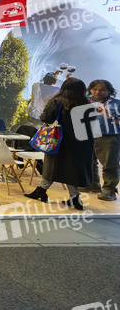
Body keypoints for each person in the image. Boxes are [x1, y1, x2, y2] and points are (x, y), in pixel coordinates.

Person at [24, 77, 95, 210]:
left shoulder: (58, 102)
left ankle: (41, 191)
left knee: (53, 168)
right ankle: (74, 198)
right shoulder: (88, 104)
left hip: (59, 141)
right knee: (71, 170)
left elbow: (46, 117)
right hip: (82, 143)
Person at [87, 79, 120, 201]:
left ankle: (109, 190)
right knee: (89, 162)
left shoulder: (116, 104)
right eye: (94, 89)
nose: (97, 92)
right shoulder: (86, 102)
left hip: (109, 137)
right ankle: (92, 184)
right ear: (90, 90)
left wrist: (112, 117)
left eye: (102, 90)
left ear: (109, 91)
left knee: (110, 164)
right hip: (87, 136)